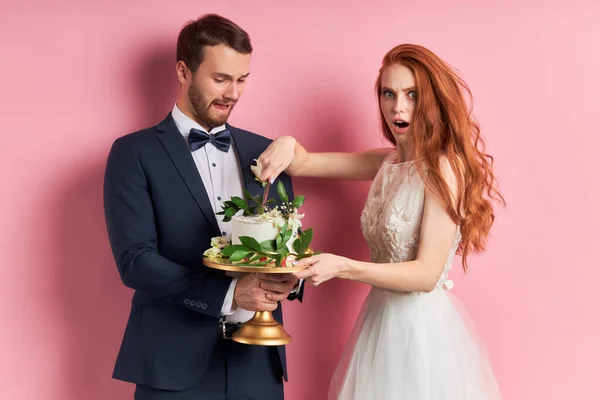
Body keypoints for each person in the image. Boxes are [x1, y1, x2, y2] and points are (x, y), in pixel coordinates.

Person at [257, 43, 505, 399]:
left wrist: (342, 266)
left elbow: (426, 274)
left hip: (421, 332)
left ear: (431, 101)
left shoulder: (444, 169)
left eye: (411, 95)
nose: (397, 107)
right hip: (379, 320)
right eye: (388, 94)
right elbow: (304, 162)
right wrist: (286, 141)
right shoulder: (385, 163)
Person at [103, 14, 302, 400]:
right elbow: (135, 259)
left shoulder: (268, 151)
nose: (233, 93)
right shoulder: (133, 153)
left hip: (258, 363)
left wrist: (290, 280)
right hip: (171, 363)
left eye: (242, 79)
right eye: (221, 78)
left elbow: (287, 241)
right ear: (183, 71)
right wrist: (229, 297)